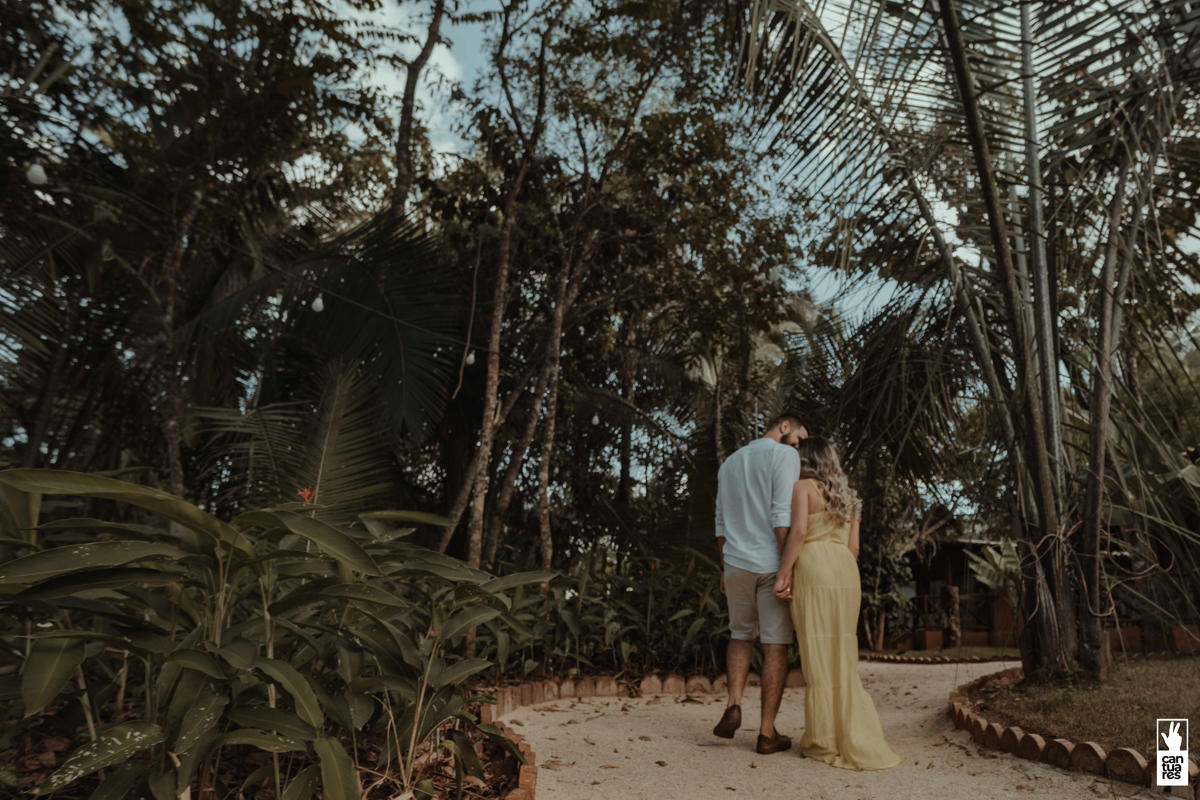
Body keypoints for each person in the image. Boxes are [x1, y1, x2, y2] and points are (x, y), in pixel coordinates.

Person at [773, 436, 900, 770]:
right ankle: (851, 730)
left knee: (817, 652)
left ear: (805, 460)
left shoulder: (802, 488)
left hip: (814, 567)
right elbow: (854, 548)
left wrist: (783, 574)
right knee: (842, 652)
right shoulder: (850, 497)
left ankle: (824, 739)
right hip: (845, 571)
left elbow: (798, 533)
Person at [712, 412, 807, 754]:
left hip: (735, 562)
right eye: (799, 439)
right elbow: (781, 515)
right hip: (769, 563)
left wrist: (725, 566)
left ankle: (733, 705)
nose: (799, 447)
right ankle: (767, 733)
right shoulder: (784, 455)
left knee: (740, 635)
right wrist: (786, 567)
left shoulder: (730, 462)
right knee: (775, 646)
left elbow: (720, 521)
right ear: (785, 426)